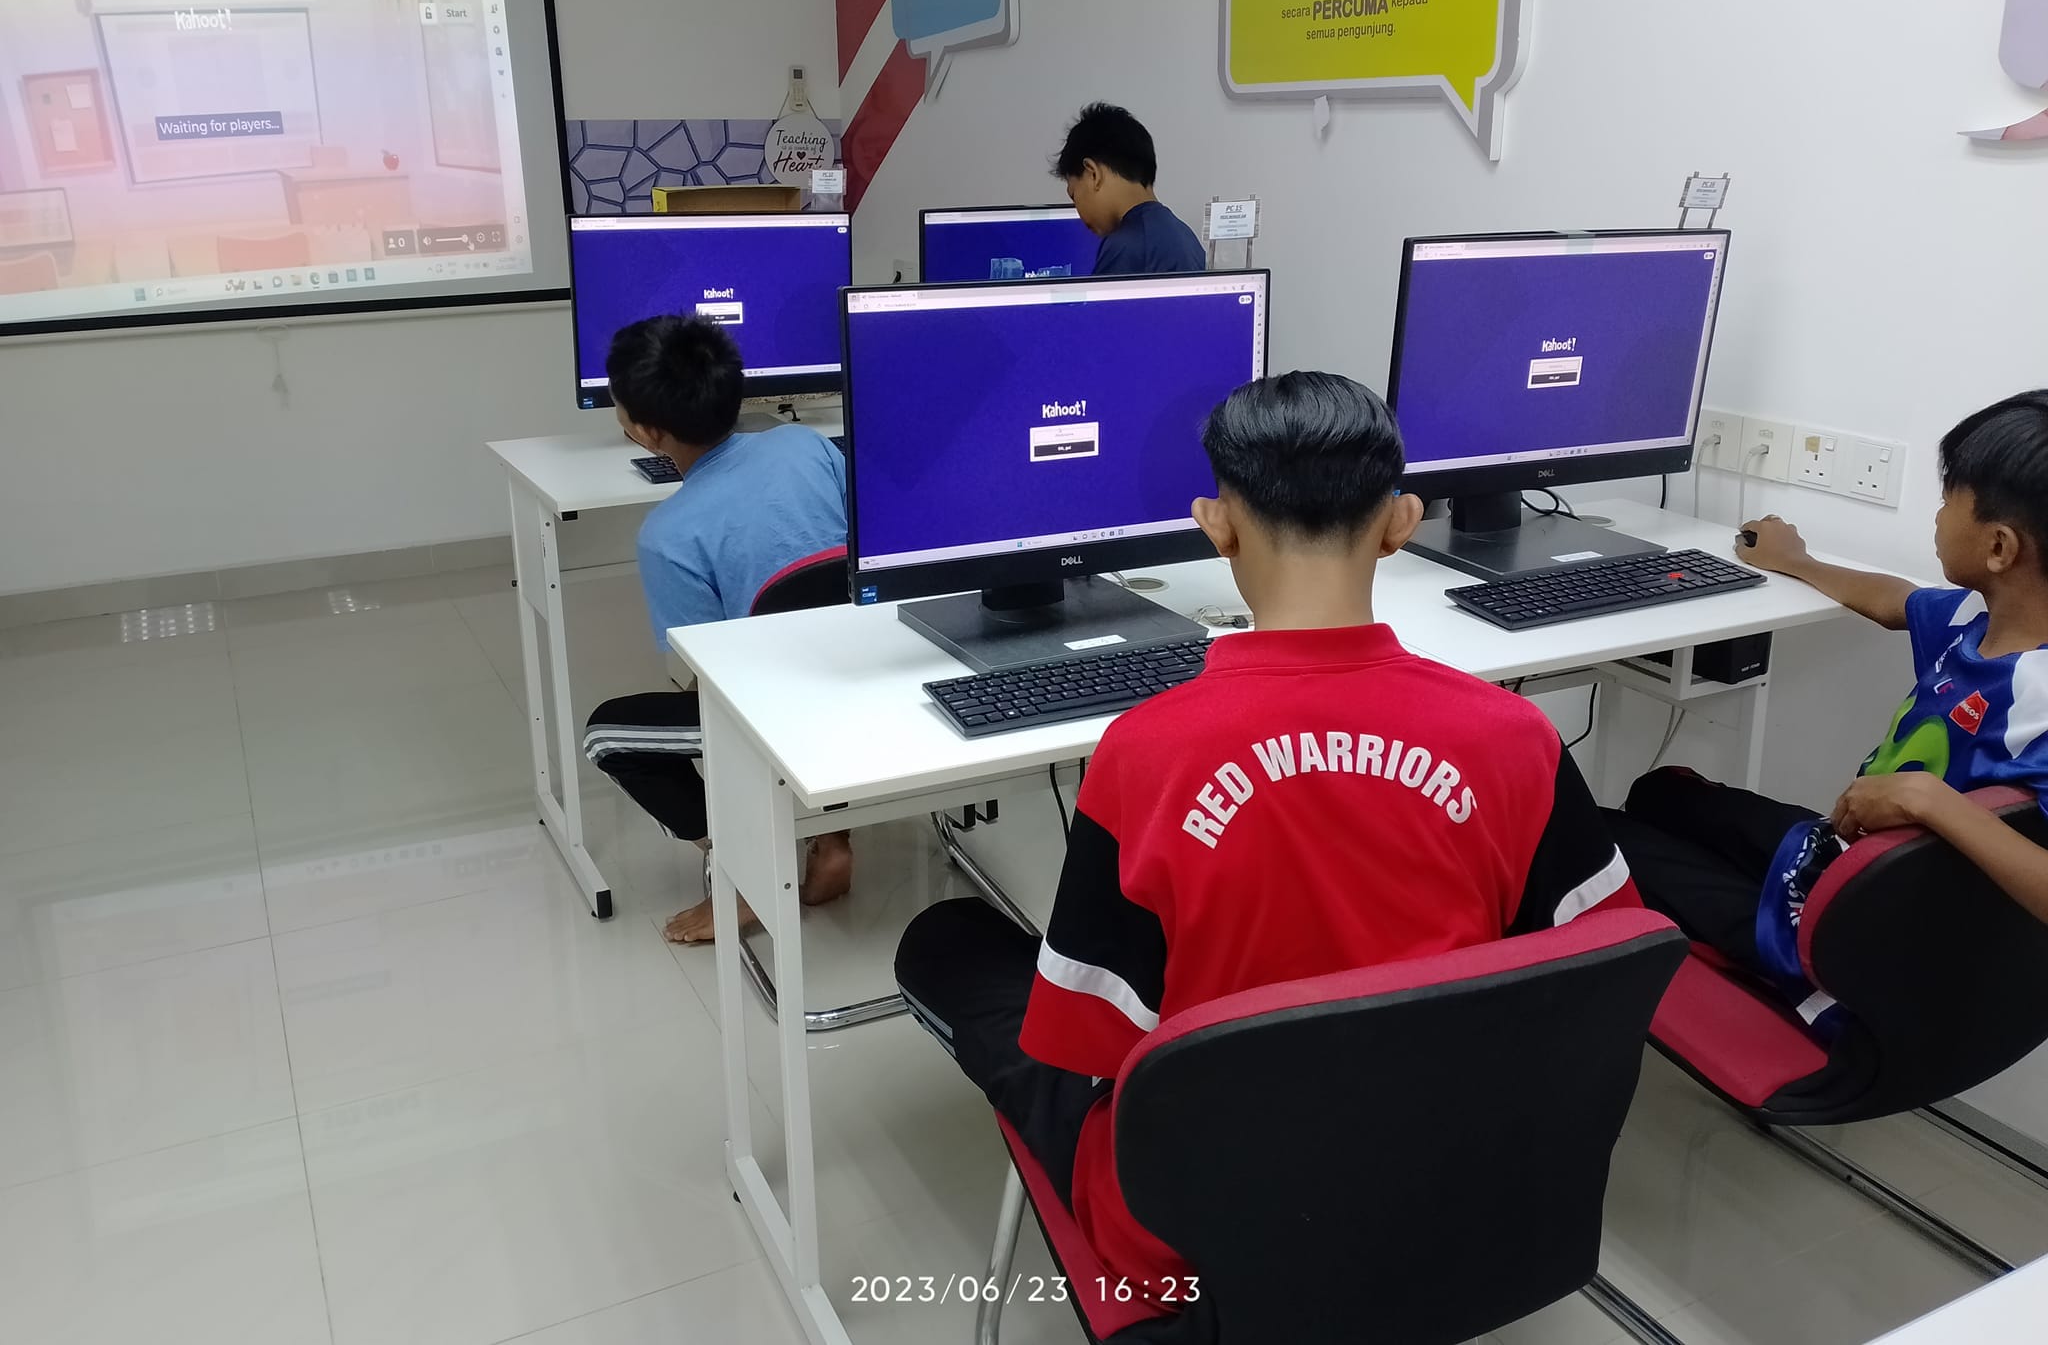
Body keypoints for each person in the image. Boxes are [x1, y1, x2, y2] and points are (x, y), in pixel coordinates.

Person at [895, 371, 1638, 1296]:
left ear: (1217, 525)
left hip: (1197, 1229)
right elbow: (1605, 966)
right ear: (1402, 522)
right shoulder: (1517, 736)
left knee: (953, 946)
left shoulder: (1142, 755)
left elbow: (1087, 1042)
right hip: (1453, 1180)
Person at [1612, 390, 2048, 1023]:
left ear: (2000, 547)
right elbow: (1896, 602)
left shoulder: (2038, 701)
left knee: (1601, 839)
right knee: (1661, 793)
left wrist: (1927, 800)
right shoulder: (1978, 622)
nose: (1936, 516)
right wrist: (1798, 562)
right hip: (1846, 858)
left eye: (1949, 499)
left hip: (1858, 938)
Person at [582, 315, 853, 944]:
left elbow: (710, 683)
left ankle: (748, 869)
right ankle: (834, 840)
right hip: (865, 674)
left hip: (782, 707)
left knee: (607, 734)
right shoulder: (808, 446)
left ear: (646, 432)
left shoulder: (668, 535)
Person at [1053, 102, 1208, 276]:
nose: (1079, 212)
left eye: (1074, 195)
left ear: (1093, 174)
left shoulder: (1126, 246)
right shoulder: (1184, 234)